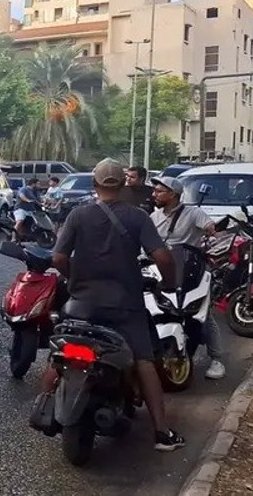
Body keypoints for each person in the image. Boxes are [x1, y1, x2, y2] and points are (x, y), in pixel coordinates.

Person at [49, 158, 185, 451]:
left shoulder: (77, 215)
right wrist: (169, 283)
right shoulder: (137, 217)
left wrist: (76, 278)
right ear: (124, 185)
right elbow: (162, 257)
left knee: (60, 350)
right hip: (125, 305)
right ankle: (162, 433)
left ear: (94, 184)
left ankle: (47, 406)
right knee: (144, 360)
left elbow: (58, 258)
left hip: (81, 304)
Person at [149, 176, 225, 380]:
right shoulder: (154, 217)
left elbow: (213, 230)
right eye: (154, 190)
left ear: (173, 194)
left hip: (191, 271)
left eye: (159, 191)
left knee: (203, 314)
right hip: (161, 271)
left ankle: (217, 359)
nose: (154, 194)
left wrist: (215, 234)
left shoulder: (193, 213)